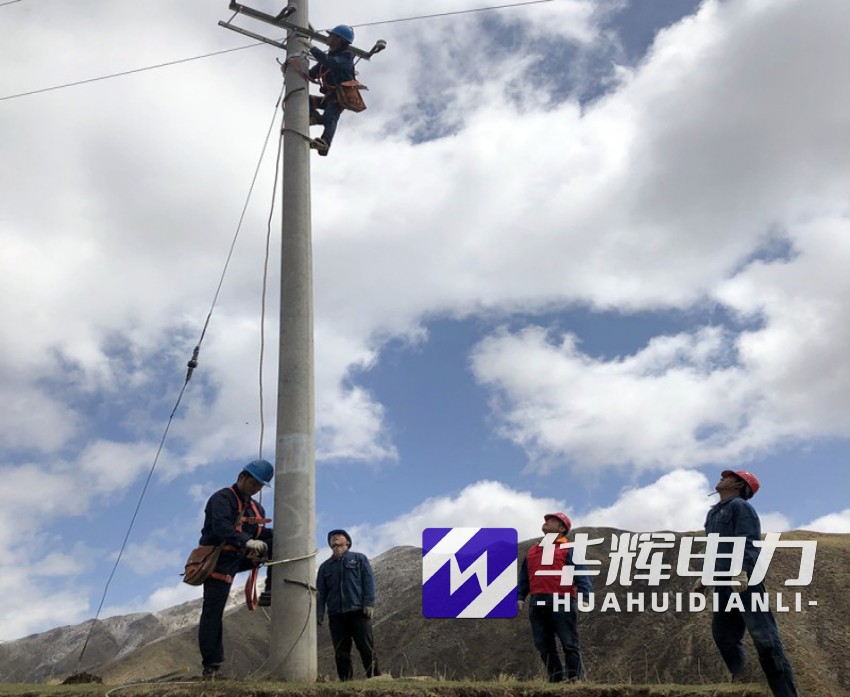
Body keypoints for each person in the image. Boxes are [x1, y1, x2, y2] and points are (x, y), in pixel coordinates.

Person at [696, 470, 800, 697]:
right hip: (723, 582)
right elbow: (712, 547)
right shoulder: (713, 514)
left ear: (739, 485)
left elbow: (748, 539)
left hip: (745, 582)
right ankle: (744, 682)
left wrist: (742, 571)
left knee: (766, 640)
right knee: (723, 636)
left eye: (728, 477)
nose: (722, 478)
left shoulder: (741, 507)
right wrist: (705, 576)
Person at [197, 459, 274, 680]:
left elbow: (259, 533)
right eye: (254, 482)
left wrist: (285, 534)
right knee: (213, 611)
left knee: (279, 540)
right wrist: (246, 541)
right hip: (218, 559)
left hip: (240, 556)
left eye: (259, 485)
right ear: (242, 477)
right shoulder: (222, 498)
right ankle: (211, 666)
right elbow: (221, 527)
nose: (256, 488)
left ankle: (270, 589)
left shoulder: (256, 508)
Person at [517, 513, 592, 683]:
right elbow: (524, 577)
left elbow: (581, 573)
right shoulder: (533, 551)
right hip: (537, 602)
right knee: (543, 645)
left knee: (569, 643)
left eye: (552, 521)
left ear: (561, 528)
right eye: (546, 520)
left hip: (562, 600)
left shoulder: (569, 549)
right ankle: (556, 680)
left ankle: (575, 679)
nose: (547, 522)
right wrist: (520, 596)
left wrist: (585, 596)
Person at [316, 529, 381, 680]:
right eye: (332, 537)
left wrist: (369, 603)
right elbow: (321, 593)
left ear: (348, 542)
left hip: (358, 611)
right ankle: (346, 682)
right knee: (341, 651)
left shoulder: (359, 559)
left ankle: (374, 678)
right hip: (336, 614)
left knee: (365, 646)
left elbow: (369, 581)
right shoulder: (325, 567)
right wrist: (319, 613)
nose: (335, 537)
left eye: (339, 536)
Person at [307, 24, 356, 156]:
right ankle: (316, 117)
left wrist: (312, 48)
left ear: (339, 39)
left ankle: (325, 144)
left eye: (331, 35)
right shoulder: (329, 57)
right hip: (329, 97)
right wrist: (291, 68)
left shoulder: (346, 56)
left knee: (330, 115)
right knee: (306, 100)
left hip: (341, 97)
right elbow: (312, 74)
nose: (328, 38)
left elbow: (332, 63)